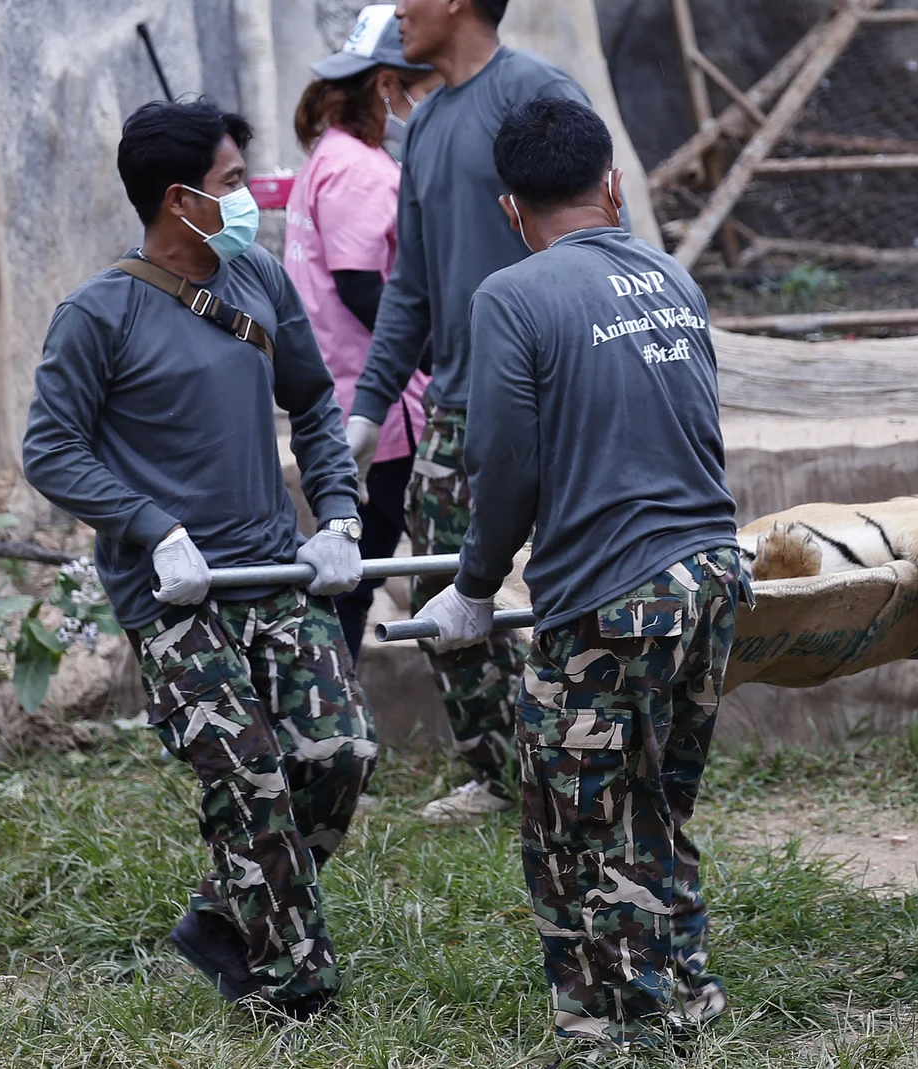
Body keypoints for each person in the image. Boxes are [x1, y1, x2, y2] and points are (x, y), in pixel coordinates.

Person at [22, 99, 373, 1018]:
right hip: (175, 594)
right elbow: (52, 450)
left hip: (272, 572)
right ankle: (296, 987)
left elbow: (315, 403)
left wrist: (337, 515)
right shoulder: (99, 313)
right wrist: (151, 525)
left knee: (340, 751)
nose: (251, 198)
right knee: (248, 771)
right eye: (230, 184)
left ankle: (223, 914)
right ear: (180, 200)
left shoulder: (256, 277)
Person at [411, 97, 744, 1052]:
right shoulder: (673, 277)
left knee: (574, 819)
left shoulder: (511, 296)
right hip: (713, 578)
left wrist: (475, 586)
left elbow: (506, 464)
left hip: (614, 597)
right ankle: (684, 987)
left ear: (510, 208)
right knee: (657, 800)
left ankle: (615, 1018)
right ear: (612, 183)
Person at [347, 0, 592, 823]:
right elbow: (409, 287)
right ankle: (498, 768)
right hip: (455, 401)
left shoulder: (534, 92)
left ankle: (589, 751)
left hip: (557, 390)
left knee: (576, 575)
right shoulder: (423, 127)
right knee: (438, 584)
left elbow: (585, 238)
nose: (394, 14)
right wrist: (368, 409)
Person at [284, 5, 443, 659]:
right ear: (386, 85)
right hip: (379, 405)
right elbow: (361, 286)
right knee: (363, 570)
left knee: (360, 566)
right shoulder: (356, 169)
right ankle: (332, 713)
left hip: (355, 391)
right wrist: (438, 355)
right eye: (419, 85)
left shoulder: (336, 154)